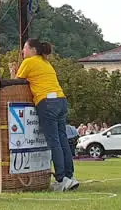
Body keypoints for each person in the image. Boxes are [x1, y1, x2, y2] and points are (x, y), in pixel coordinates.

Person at [15, 39, 76, 191]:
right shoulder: (46, 62)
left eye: (25, 48)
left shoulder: (29, 62)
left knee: (54, 141)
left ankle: (61, 179)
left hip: (46, 102)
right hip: (61, 100)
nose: (23, 51)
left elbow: (16, 82)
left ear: (32, 50)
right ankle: (70, 175)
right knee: (63, 140)